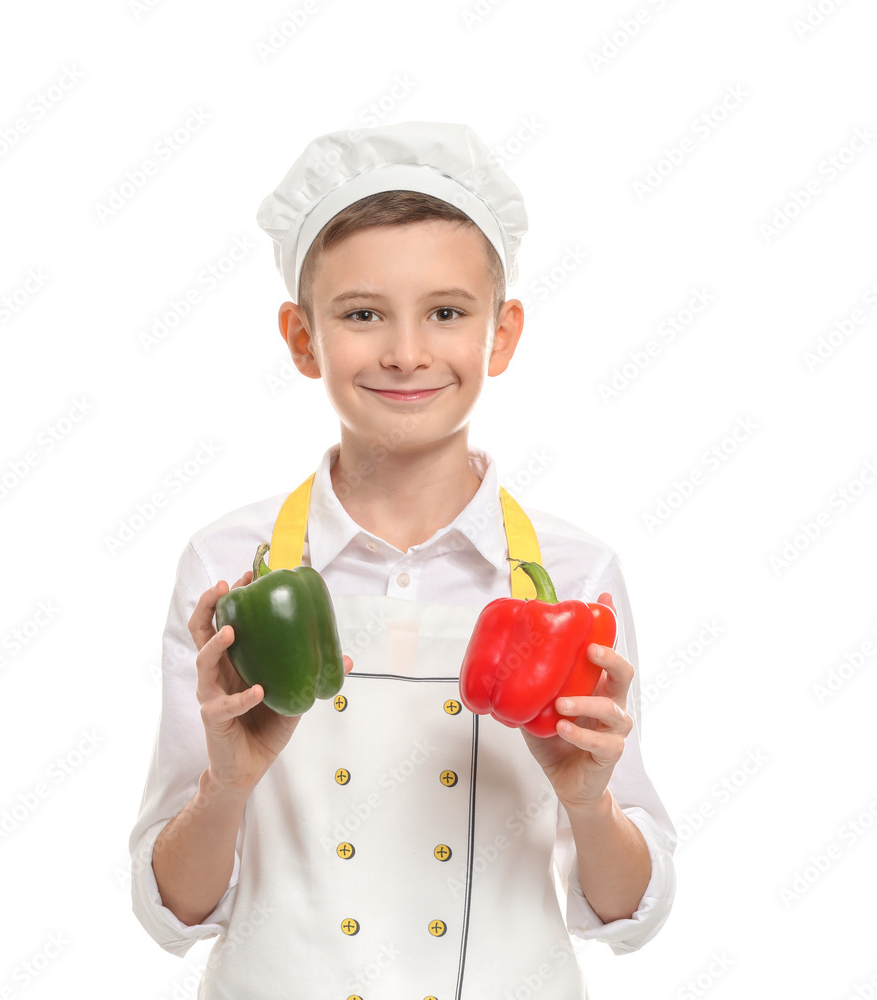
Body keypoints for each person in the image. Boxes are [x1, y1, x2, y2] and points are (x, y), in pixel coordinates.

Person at [127, 121, 677, 999]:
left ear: (500, 335)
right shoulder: (230, 569)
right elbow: (173, 910)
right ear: (303, 339)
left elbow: (626, 912)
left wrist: (588, 803)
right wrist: (226, 786)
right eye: (360, 314)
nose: (407, 352)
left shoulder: (574, 579)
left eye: (447, 313)